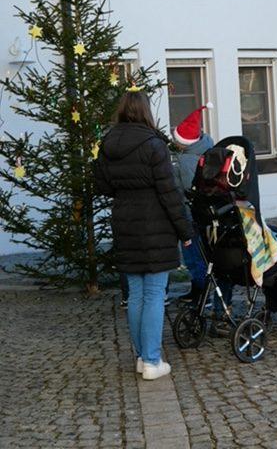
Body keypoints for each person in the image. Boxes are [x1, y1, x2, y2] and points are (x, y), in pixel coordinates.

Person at [95, 91, 192, 380]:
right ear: (146, 111)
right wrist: (185, 230)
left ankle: (141, 357)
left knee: (135, 293)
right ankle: (151, 360)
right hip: (155, 225)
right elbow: (169, 193)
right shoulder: (154, 145)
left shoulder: (107, 144)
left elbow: (103, 186)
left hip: (124, 222)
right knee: (153, 294)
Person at [171, 103, 214, 304]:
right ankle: (200, 288)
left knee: (193, 253)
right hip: (207, 213)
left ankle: (201, 292)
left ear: (184, 142)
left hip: (190, 214)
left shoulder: (186, 161)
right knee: (203, 251)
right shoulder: (207, 148)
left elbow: (184, 189)